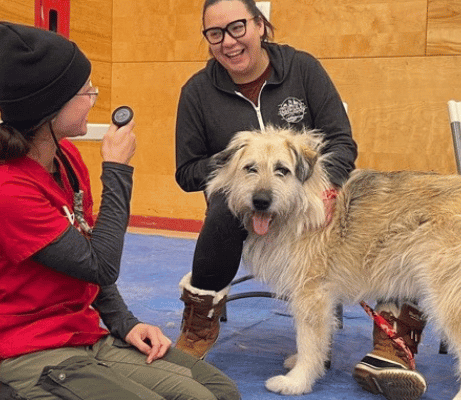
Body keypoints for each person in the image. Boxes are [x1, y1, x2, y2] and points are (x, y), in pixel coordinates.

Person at [0, 21, 240, 400]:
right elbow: (101, 264)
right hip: (23, 350)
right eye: (85, 90)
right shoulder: (1, 188)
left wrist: (124, 322)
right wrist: (118, 171)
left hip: (80, 333)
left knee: (217, 391)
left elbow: (89, 256)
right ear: (50, 107)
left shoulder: (66, 157)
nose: (93, 97)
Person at [172, 1, 427, 399]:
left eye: (237, 27)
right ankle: (199, 322)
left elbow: (341, 142)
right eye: (215, 33)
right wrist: (232, 164)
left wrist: (326, 188)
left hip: (310, 191)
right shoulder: (198, 91)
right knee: (223, 210)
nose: (228, 41)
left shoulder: (301, 68)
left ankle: (392, 340)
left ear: (260, 25)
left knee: (391, 210)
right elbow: (186, 172)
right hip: (240, 198)